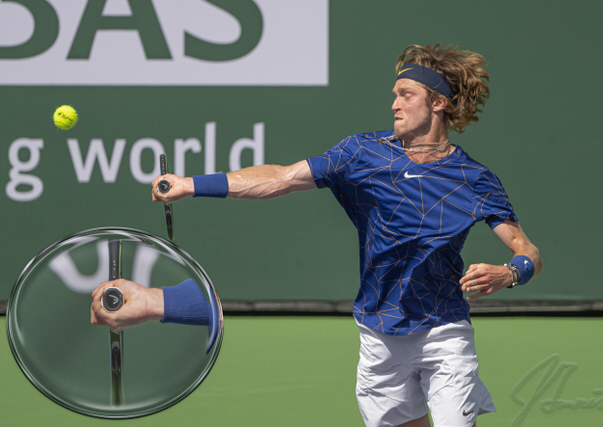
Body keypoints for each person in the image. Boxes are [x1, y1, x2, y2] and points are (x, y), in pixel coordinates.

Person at [92, 43, 542, 427]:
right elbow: (281, 177)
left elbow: (528, 252)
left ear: (438, 103)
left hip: (444, 331)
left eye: (406, 95)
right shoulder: (361, 153)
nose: (394, 104)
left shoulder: (473, 178)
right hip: (379, 332)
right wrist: (192, 184)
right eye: (394, 95)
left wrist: (509, 273)